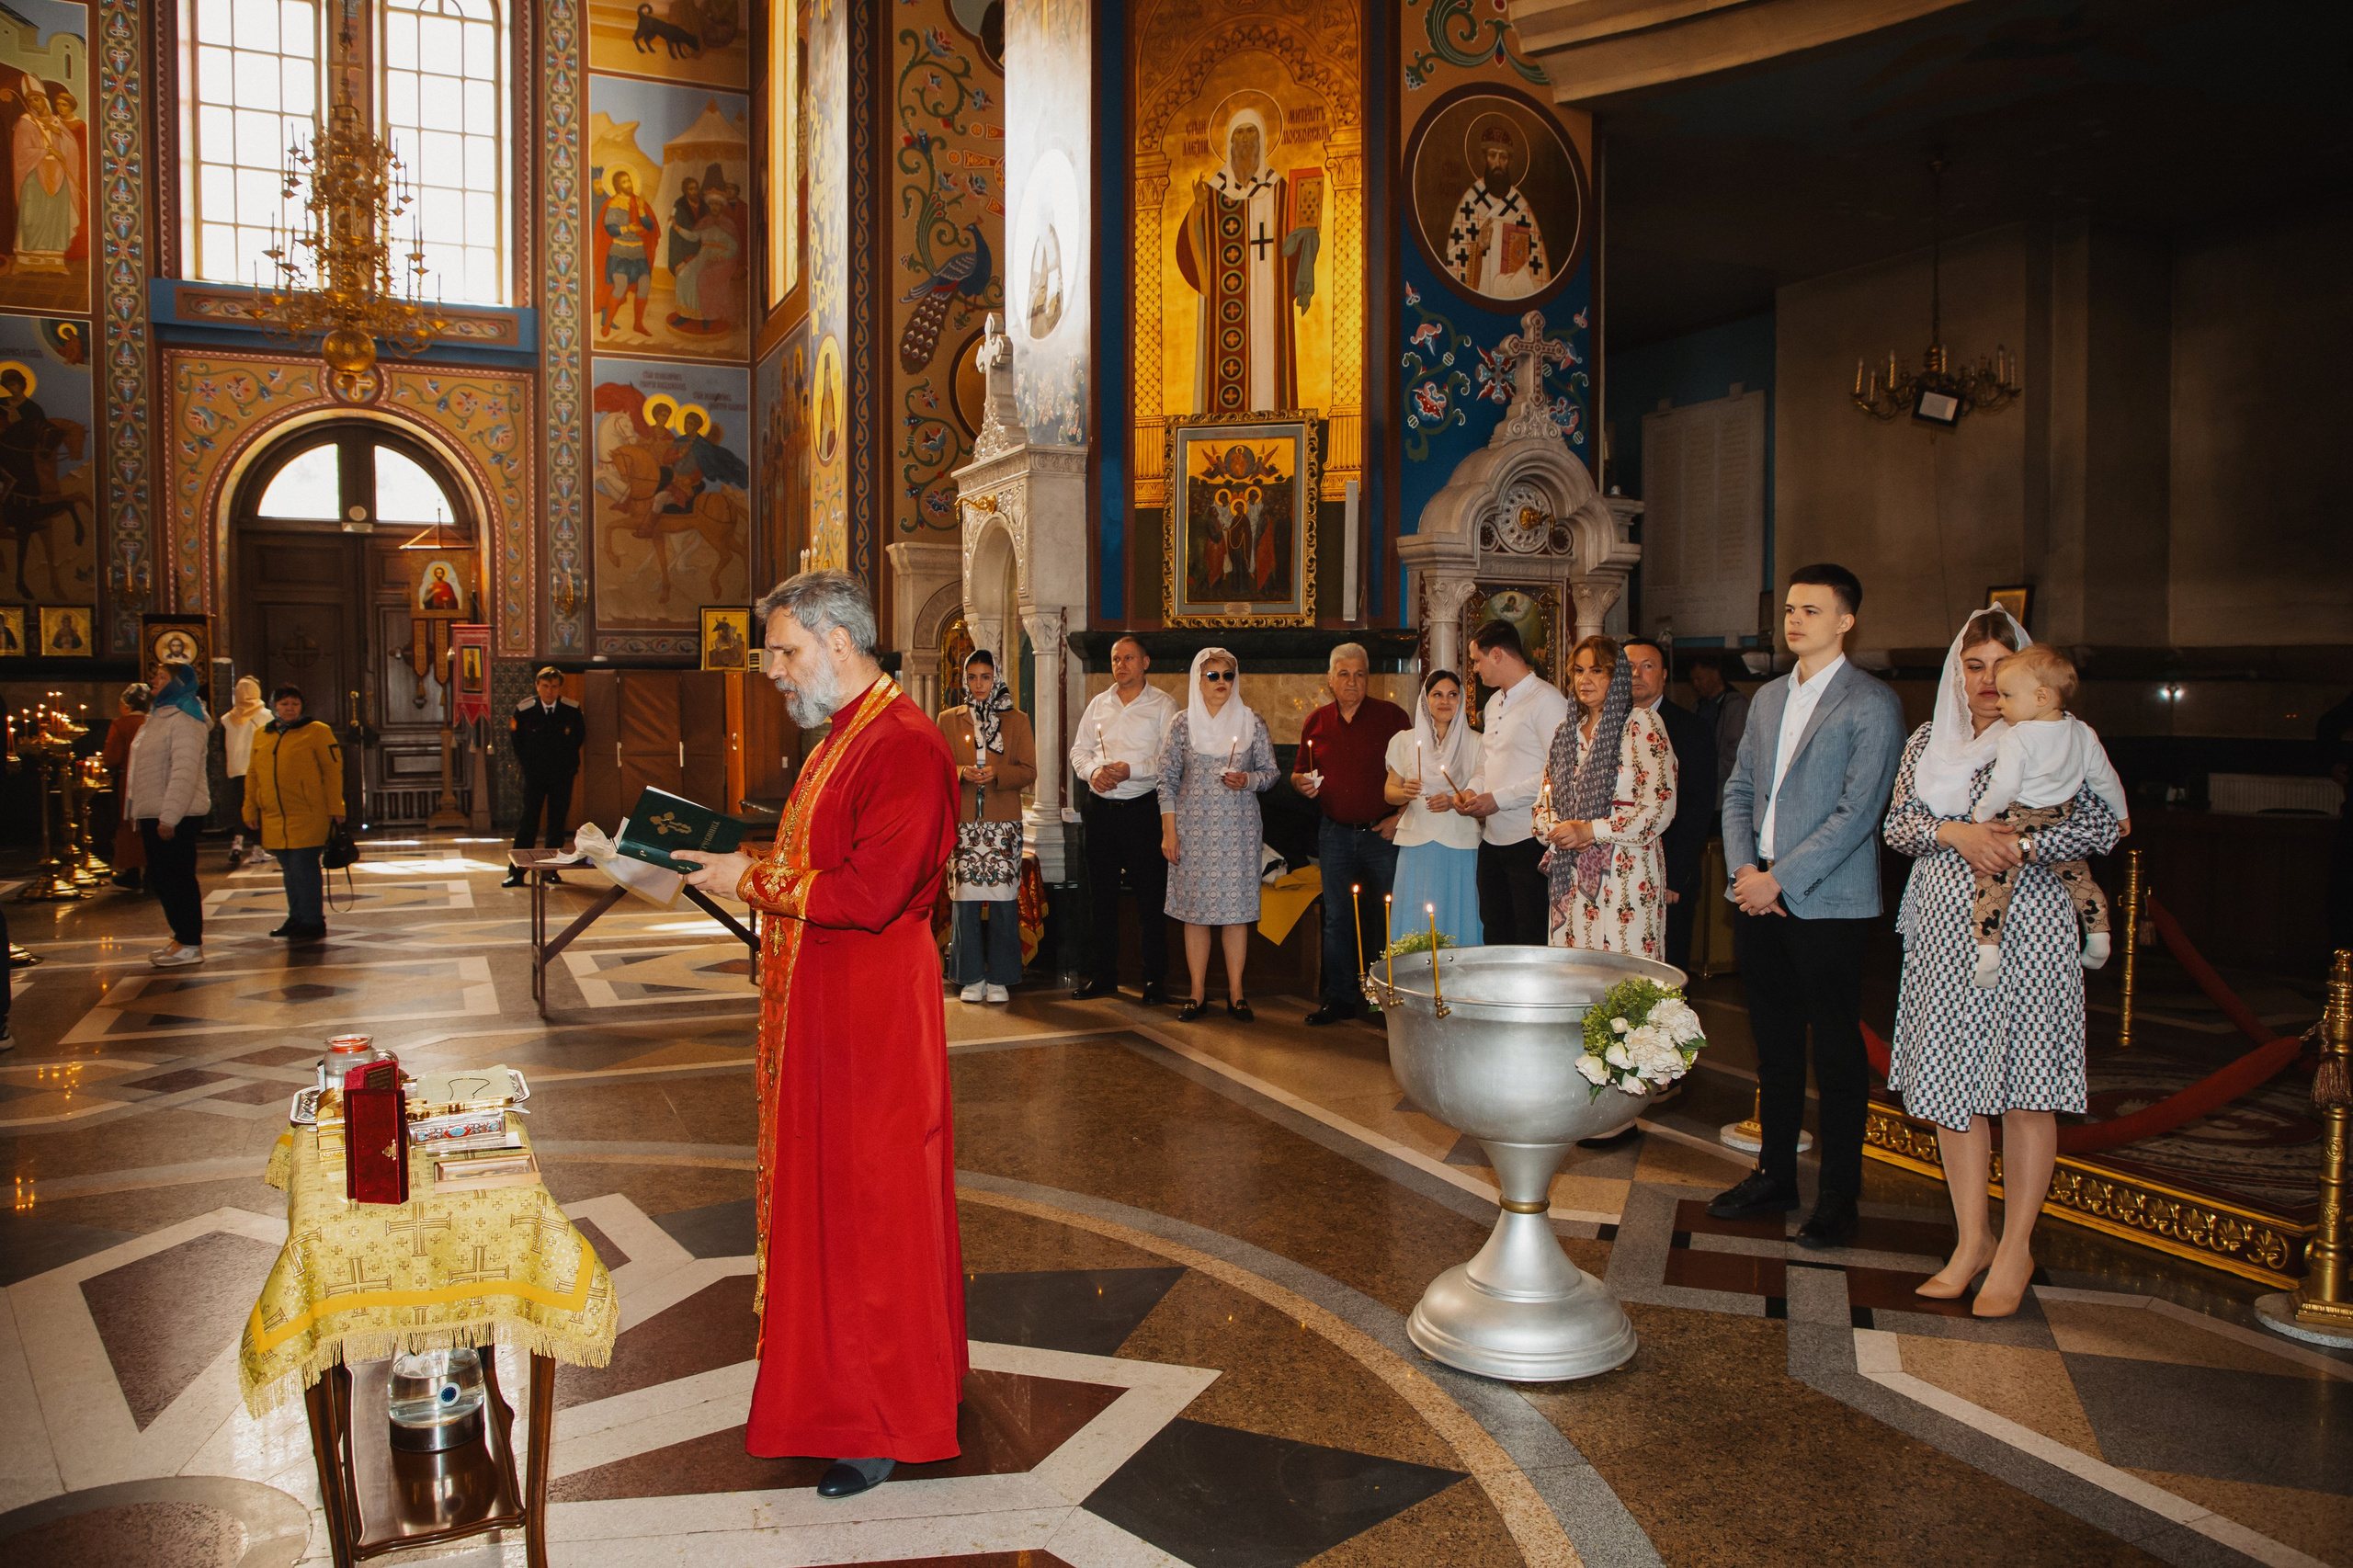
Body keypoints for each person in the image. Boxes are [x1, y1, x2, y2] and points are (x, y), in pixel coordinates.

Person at [673, 571, 964, 1499]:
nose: (776, 673)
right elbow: (820, 859)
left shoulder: (907, 746)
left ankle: (883, 1419)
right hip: (824, 1006)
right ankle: (833, 1394)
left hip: (872, 1014)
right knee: (829, 1203)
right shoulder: (849, 733)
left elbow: (872, 892)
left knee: (872, 1208)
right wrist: (747, 861)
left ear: (840, 641)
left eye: (787, 653)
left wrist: (749, 882)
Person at [1884, 608, 2122, 1316]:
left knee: (2026, 1084)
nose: (1988, 681)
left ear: (2030, 672)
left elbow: (2101, 824)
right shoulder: (1929, 739)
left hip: (2033, 922)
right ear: (1959, 672)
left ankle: (2017, 1246)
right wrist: (1954, 831)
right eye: (1974, 665)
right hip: (1942, 923)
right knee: (1952, 1082)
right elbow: (1897, 824)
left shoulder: (2057, 739)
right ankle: (1971, 1242)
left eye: (2000, 664)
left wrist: (2018, 848)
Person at [1710, 564, 1907, 1249]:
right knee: (1774, 1046)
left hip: (1828, 903)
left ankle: (1839, 1197)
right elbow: (1738, 789)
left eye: (1813, 611)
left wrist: (1780, 879)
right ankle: (1774, 1175)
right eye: (1791, 609)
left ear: (1845, 621)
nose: (1795, 621)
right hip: (1758, 893)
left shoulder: (1870, 703)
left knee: (1838, 1054)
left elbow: (1859, 813)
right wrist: (1744, 870)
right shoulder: (1766, 699)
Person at [1968, 644, 2131, 987]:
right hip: (2062, 819)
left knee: (1995, 881)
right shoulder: (2083, 732)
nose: (2000, 703)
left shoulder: (2018, 737)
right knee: (2079, 879)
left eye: (2007, 695)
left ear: (2041, 696)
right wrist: (2122, 814)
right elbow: (2106, 778)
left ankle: (1987, 951)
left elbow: (2004, 787)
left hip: (2021, 819)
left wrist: (1981, 815)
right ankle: (2099, 938)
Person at [1159, 649, 1278, 1022]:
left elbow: (1271, 773)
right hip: (1192, 833)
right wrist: (1168, 833)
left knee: (1235, 915)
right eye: (1213, 676)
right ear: (1198, 679)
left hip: (1238, 833)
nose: (1221, 682)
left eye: (1228, 675)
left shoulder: (1252, 722)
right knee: (1195, 914)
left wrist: (1248, 780)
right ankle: (1196, 993)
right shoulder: (1181, 724)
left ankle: (1237, 993)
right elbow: (1166, 781)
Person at [1293, 642, 1409, 1025]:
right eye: (1344, 674)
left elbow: (1415, 776)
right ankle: (1340, 998)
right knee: (1338, 918)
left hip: (1383, 835)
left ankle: (1385, 1000)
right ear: (1330, 679)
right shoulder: (1317, 722)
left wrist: (1400, 816)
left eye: (1360, 674)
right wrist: (1300, 783)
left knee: (1388, 916)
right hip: (1335, 835)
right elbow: (1298, 772)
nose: (1352, 682)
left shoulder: (1392, 717)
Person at [1538, 637, 1676, 958]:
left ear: (1618, 678)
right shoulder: (1565, 732)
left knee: (1624, 977)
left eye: (1597, 670)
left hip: (1626, 872)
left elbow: (1660, 808)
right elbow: (1542, 802)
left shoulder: (1641, 724)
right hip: (1571, 870)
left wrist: (1590, 830)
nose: (1584, 680)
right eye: (1579, 670)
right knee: (1576, 973)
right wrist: (1554, 829)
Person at [1069, 635, 1177, 1003]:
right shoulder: (1099, 704)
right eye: (1116, 659)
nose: (1121, 665)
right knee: (1100, 899)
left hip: (1142, 811)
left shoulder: (1164, 705)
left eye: (1129, 658)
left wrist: (1132, 769)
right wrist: (1092, 773)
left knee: (1150, 899)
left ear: (1145, 662)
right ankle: (1103, 976)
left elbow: (1168, 762)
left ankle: (1154, 980)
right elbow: (1079, 751)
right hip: (1101, 811)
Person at [1452, 619, 1571, 945]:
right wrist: (1472, 791)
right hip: (1492, 840)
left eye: (1477, 660)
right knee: (1494, 929)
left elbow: (1559, 771)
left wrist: (1499, 799)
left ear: (1498, 655)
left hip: (1530, 839)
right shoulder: (1494, 702)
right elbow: (1485, 762)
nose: (1475, 669)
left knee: (1529, 933)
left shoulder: (1546, 700)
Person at [938, 650, 1036, 1004]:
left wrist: (997, 774)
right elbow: (936, 768)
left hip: (1003, 823)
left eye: (986, 677)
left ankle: (1001, 977)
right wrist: (963, 772)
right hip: (964, 822)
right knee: (965, 900)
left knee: (1003, 901)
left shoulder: (1017, 720)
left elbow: (1028, 771)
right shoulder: (948, 719)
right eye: (973, 677)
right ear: (964, 680)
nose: (979, 684)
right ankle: (970, 976)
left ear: (996, 678)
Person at [1625, 639, 1716, 974]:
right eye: (1629, 666)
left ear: (1663, 675)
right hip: (1618, 872)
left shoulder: (1690, 728)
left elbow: (1697, 806)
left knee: (1666, 974)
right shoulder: (1605, 726)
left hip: (1668, 873)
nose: (1636, 673)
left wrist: (1674, 876)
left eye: (1647, 666)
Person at [123, 662, 212, 969]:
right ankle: (180, 938)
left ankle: (191, 942)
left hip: (176, 813)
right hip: (155, 811)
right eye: (155, 676)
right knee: (162, 880)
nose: (154, 681)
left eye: (161, 677)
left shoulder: (186, 718)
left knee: (177, 879)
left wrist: (169, 817)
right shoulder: (159, 715)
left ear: (179, 684)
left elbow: (183, 772)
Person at [1385, 670, 1483, 949]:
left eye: (1452, 695)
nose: (1445, 701)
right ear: (1425, 699)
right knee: (1414, 915)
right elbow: (1389, 792)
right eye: (1437, 694)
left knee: (1457, 912)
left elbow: (1483, 799)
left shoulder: (1476, 742)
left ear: (1461, 700)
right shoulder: (1404, 740)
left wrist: (1453, 801)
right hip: (1416, 842)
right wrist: (1403, 793)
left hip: (1460, 842)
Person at [244, 686, 347, 944]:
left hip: (308, 812)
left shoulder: (317, 732)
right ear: (274, 707)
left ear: (302, 707)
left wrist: (337, 807)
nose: (289, 708)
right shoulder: (262, 735)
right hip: (275, 815)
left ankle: (312, 920)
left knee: (304, 866)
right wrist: (250, 807)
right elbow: (253, 774)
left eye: (295, 704)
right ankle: (297, 916)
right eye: (284, 703)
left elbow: (332, 772)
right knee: (289, 869)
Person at [504, 667, 585, 888]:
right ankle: (517, 872)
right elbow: (517, 742)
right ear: (537, 686)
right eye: (546, 686)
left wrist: (563, 764)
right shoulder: (524, 710)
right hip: (535, 775)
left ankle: (551, 871)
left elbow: (578, 738)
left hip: (562, 774)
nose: (550, 691)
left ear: (560, 688)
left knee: (557, 823)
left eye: (554, 686)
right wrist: (531, 765)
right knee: (528, 822)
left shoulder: (571, 709)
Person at [1688, 656, 1750, 820]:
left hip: (1723, 791)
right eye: (1692, 680)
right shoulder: (1698, 706)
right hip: (1700, 790)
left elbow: (1737, 751)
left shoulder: (1736, 704)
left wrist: (1706, 772)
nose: (1695, 684)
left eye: (1699, 678)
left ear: (1715, 674)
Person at [101, 682, 149, 891]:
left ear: (126, 705)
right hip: (150, 780)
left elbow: (111, 757)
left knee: (128, 824)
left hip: (126, 781)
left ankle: (131, 871)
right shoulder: (153, 722)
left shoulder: (120, 725)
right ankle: (151, 872)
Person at [221, 676, 268, 869]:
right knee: (257, 807)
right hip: (257, 768)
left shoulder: (227, 718)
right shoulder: (266, 715)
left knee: (240, 805)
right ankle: (257, 848)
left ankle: (237, 843)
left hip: (237, 769)